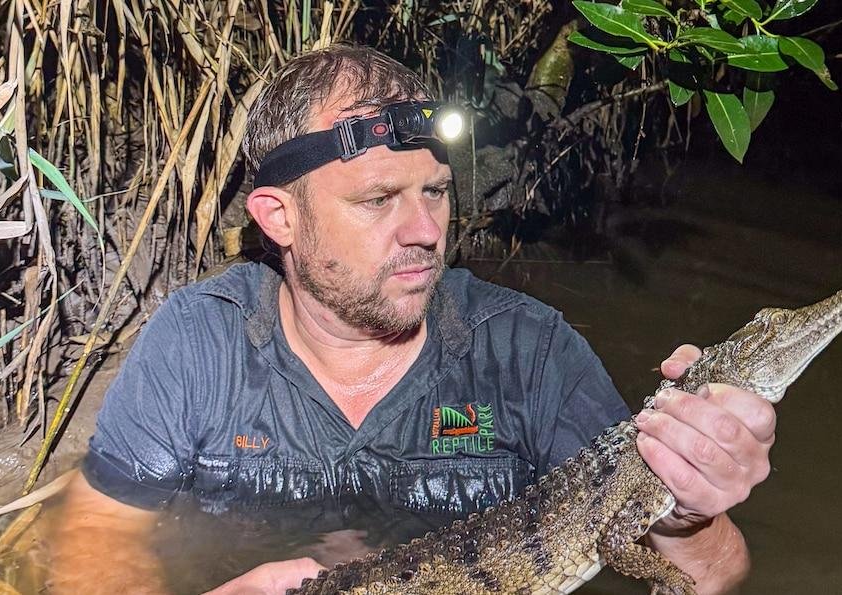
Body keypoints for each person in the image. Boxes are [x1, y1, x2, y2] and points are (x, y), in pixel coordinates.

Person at [50, 44, 776, 595]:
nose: (425, 229)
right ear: (280, 218)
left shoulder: (530, 349)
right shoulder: (199, 338)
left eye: (434, 191)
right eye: (377, 200)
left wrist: (689, 512)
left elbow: (720, 572)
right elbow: (95, 532)